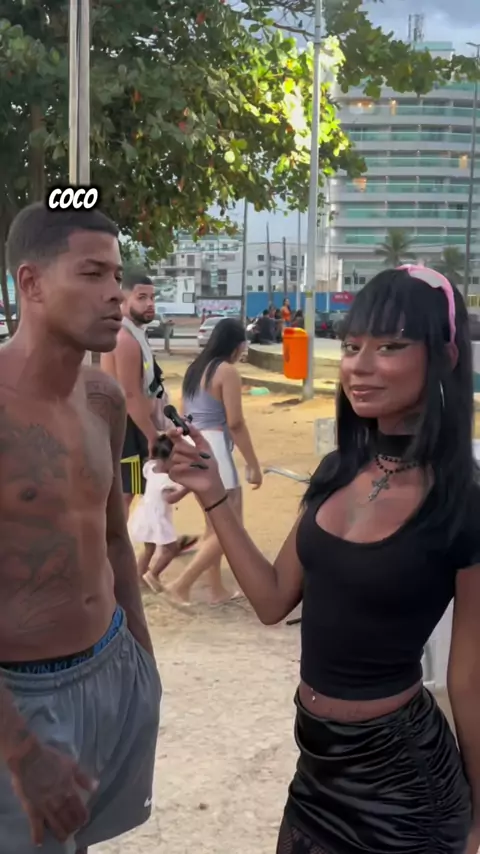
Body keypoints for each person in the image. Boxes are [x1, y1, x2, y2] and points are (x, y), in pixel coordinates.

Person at [165, 265, 480, 854]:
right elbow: (271, 600)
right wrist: (212, 496)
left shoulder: (463, 503)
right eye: (353, 346)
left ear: (445, 356)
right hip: (315, 773)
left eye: (390, 346)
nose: (360, 365)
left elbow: (469, 678)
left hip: (404, 787)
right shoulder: (337, 471)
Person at [0, 202, 161, 853]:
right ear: (31, 283)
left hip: (111, 663)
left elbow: (114, 535)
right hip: (19, 698)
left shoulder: (103, 398)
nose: (115, 294)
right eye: (92, 274)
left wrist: (143, 661)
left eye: (117, 276)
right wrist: (21, 752)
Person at [164, 318, 263, 608]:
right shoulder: (227, 372)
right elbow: (235, 422)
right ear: (238, 345)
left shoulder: (195, 369)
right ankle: (180, 585)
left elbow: (184, 414)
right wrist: (253, 464)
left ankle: (216, 588)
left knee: (214, 522)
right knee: (231, 526)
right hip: (216, 446)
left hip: (194, 443)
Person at [100, 270, 164, 514]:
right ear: (123, 300)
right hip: (128, 426)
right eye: (141, 297)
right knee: (126, 492)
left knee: (131, 490)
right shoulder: (125, 339)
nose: (149, 304)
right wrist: (152, 436)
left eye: (152, 297)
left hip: (132, 424)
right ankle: (114, 539)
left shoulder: (134, 333)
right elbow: (130, 395)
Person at [129, 436, 198, 591]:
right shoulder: (166, 479)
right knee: (172, 549)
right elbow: (170, 498)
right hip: (157, 518)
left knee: (149, 548)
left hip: (145, 513)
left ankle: (139, 577)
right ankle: (153, 574)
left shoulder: (150, 468)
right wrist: (187, 489)